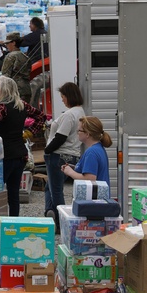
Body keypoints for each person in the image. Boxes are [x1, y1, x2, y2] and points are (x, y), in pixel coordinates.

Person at [0, 76, 46, 217]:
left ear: (4, 90)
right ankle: (13, 223)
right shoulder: (22, 104)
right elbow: (42, 117)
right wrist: (29, 132)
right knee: (13, 194)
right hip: (20, 155)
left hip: (4, 156)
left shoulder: (2, 107)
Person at [43, 82, 86, 220]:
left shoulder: (69, 114)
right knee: (50, 187)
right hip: (73, 154)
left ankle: (62, 222)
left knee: (56, 191)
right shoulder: (81, 112)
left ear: (69, 96)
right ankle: (50, 213)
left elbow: (61, 137)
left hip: (59, 155)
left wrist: (47, 150)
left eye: (63, 96)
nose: (62, 99)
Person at [62, 116, 112, 187]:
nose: (77, 133)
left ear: (87, 134)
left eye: (79, 130)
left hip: (94, 197)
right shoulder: (98, 148)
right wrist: (75, 168)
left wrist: (70, 172)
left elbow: (90, 179)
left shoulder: (91, 152)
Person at [0, 31, 32, 103]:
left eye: (7, 43)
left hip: (15, 91)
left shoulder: (10, 56)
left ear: (13, 43)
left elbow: (5, 77)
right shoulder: (25, 56)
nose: (6, 45)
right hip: (26, 90)